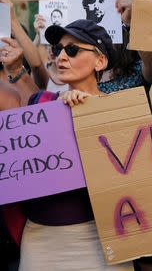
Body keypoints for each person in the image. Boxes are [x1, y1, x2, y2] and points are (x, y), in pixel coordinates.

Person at [16, 19, 133, 271]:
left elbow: (128, 175)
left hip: (101, 241)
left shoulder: (120, 110)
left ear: (100, 61)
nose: (61, 57)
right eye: (58, 49)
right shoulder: (39, 103)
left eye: (72, 50)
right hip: (39, 240)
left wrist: (91, 113)